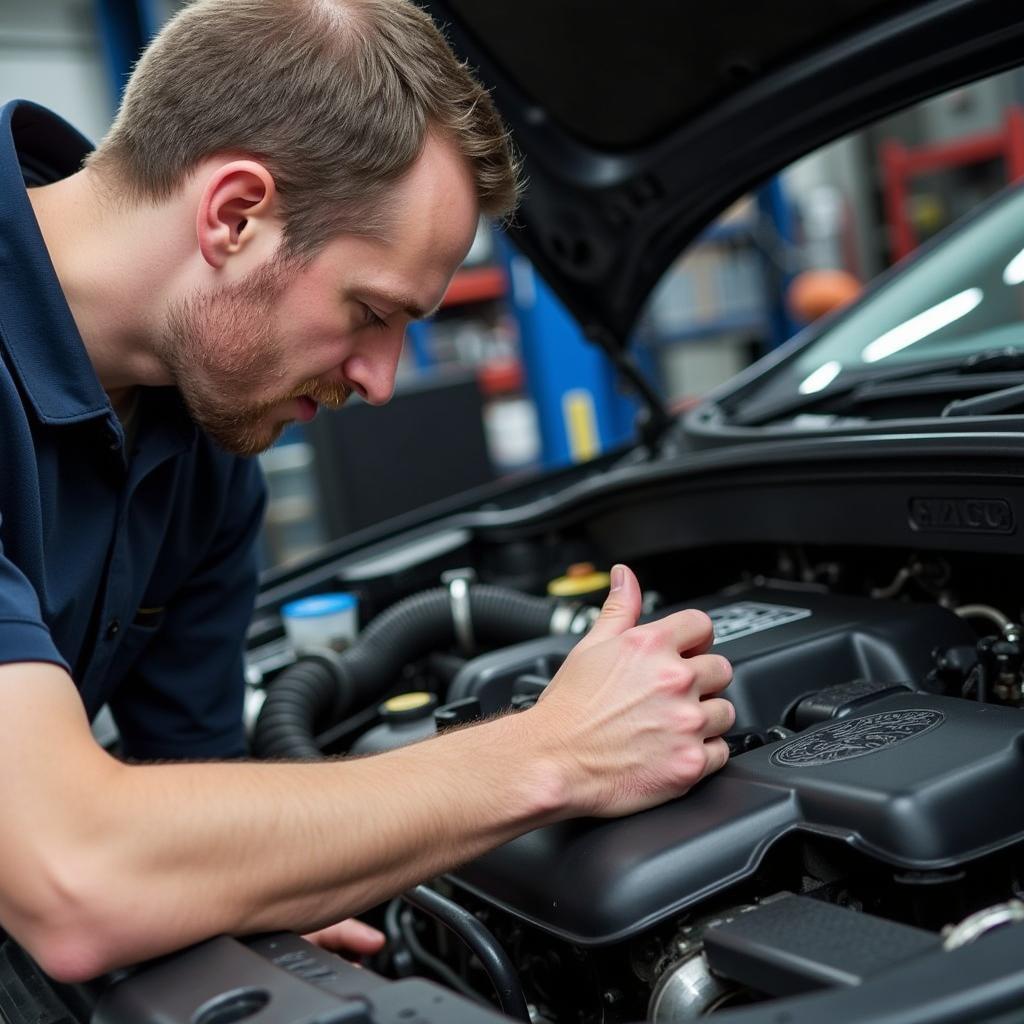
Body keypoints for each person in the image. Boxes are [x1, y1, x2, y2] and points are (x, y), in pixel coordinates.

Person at [0, 0, 735, 983]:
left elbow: (201, 796)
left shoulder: (207, 447)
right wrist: (552, 752)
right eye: (371, 312)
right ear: (234, 214)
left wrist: (264, 882)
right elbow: (74, 875)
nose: (381, 380)